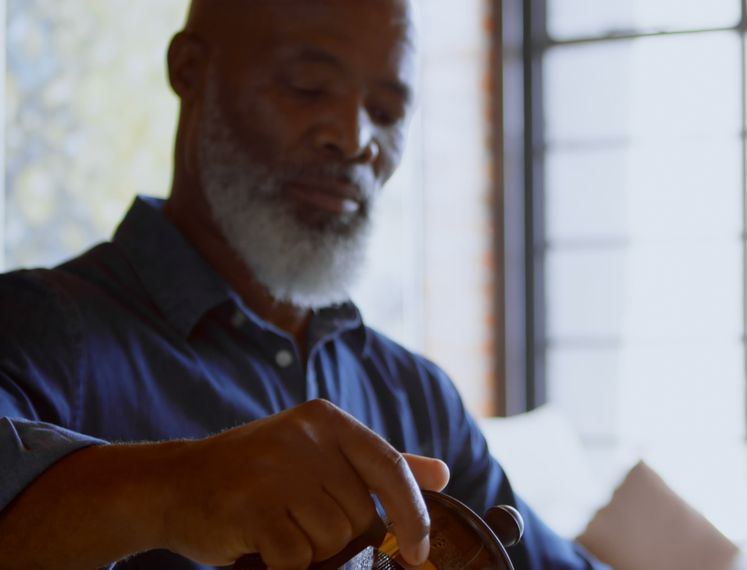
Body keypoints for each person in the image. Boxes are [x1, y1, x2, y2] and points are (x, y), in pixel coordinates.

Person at [0, 1, 603, 568]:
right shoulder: (39, 330)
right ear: (190, 70)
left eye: (389, 113)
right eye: (307, 88)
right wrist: (176, 489)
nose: (355, 136)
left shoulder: (416, 397)